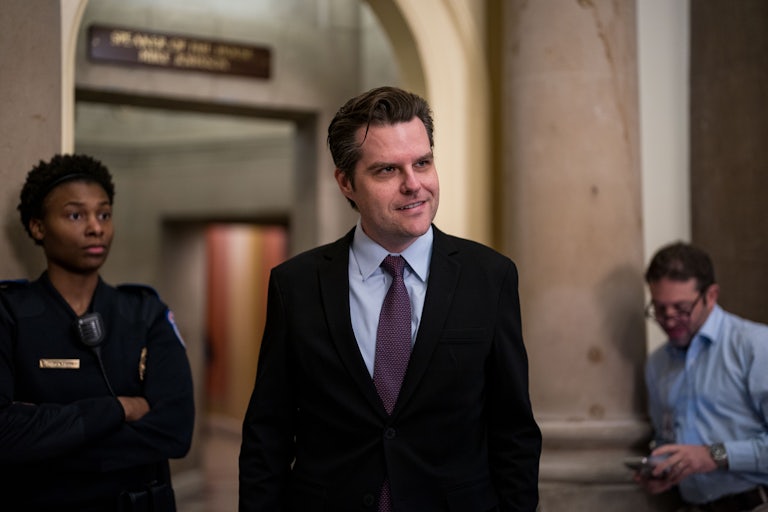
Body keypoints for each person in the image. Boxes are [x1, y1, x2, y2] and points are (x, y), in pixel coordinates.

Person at [239, 86, 541, 511]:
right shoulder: (297, 285)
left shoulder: (489, 278)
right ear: (346, 182)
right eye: (387, 171)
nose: (413, 185)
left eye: (423, 162)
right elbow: (267, 435)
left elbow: (514, 433)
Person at [0, 154, 195, 511]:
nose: (96, 228)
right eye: (76, 215)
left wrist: (46, 445)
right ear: (38, 227)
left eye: (103, 214)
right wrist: (119, 408)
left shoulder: (144, 311)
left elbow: (174, 430)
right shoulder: (9, 313)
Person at [635, 241, 768, 511]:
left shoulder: (755, 346)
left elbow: (706, 456)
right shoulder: (657, 364)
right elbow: (667, 439)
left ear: (711, 296)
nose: (669, 320)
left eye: (681, 308)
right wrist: (664, 470)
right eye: (660, 309)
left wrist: (713, 455)